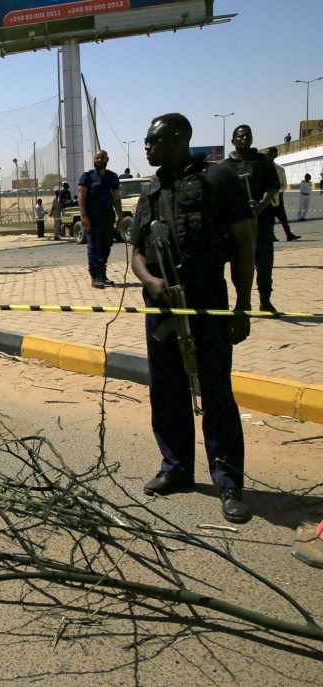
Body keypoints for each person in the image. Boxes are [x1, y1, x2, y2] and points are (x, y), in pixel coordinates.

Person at [131, 112, 255, 524]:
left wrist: (243, 306)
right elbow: (136, 251)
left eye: (154, 139)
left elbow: (244, 243)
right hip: (162, 304)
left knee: (216, 392)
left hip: (206, 300)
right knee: (166, 390)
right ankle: (177, 468)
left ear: (180, 138)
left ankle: (229, 481)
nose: (147, 146)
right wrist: (150, 281)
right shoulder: (151, 190)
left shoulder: (218, 179)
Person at [222, 125, 281, 311]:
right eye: (240, 136)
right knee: (238, 263)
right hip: (237, 223)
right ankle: (243, 300)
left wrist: (260, 206)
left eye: (247, 135)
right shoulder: (226, 166)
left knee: (264, 262)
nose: (244, 139)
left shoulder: (263, 161)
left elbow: (273, 187)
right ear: (233, 141)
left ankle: (265, 299)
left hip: (262, 220)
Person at [78, 150, 123, 289]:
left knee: (106, 247)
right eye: (96, 158)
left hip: (108, 219)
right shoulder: (87, 177)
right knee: (94, 247)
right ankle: (95, 276)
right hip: (92, 219)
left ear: (106, 159)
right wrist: (83, 216)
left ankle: (102, 275)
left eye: (101, 158)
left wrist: (120, 217)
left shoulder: (112, 177)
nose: (98, 160)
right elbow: (81, 197)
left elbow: (117, 198)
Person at [264, 147, 299, 241]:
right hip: (265, 197)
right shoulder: (261, 168)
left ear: (275, 155)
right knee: (269, 218)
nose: (268, 156)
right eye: (267, 154)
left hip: (278, 196)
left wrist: (276, 191)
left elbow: (284, 185)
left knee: (283, 217)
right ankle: (272, 236)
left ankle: (289, 234)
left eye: (270, 154)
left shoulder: (280, 169)